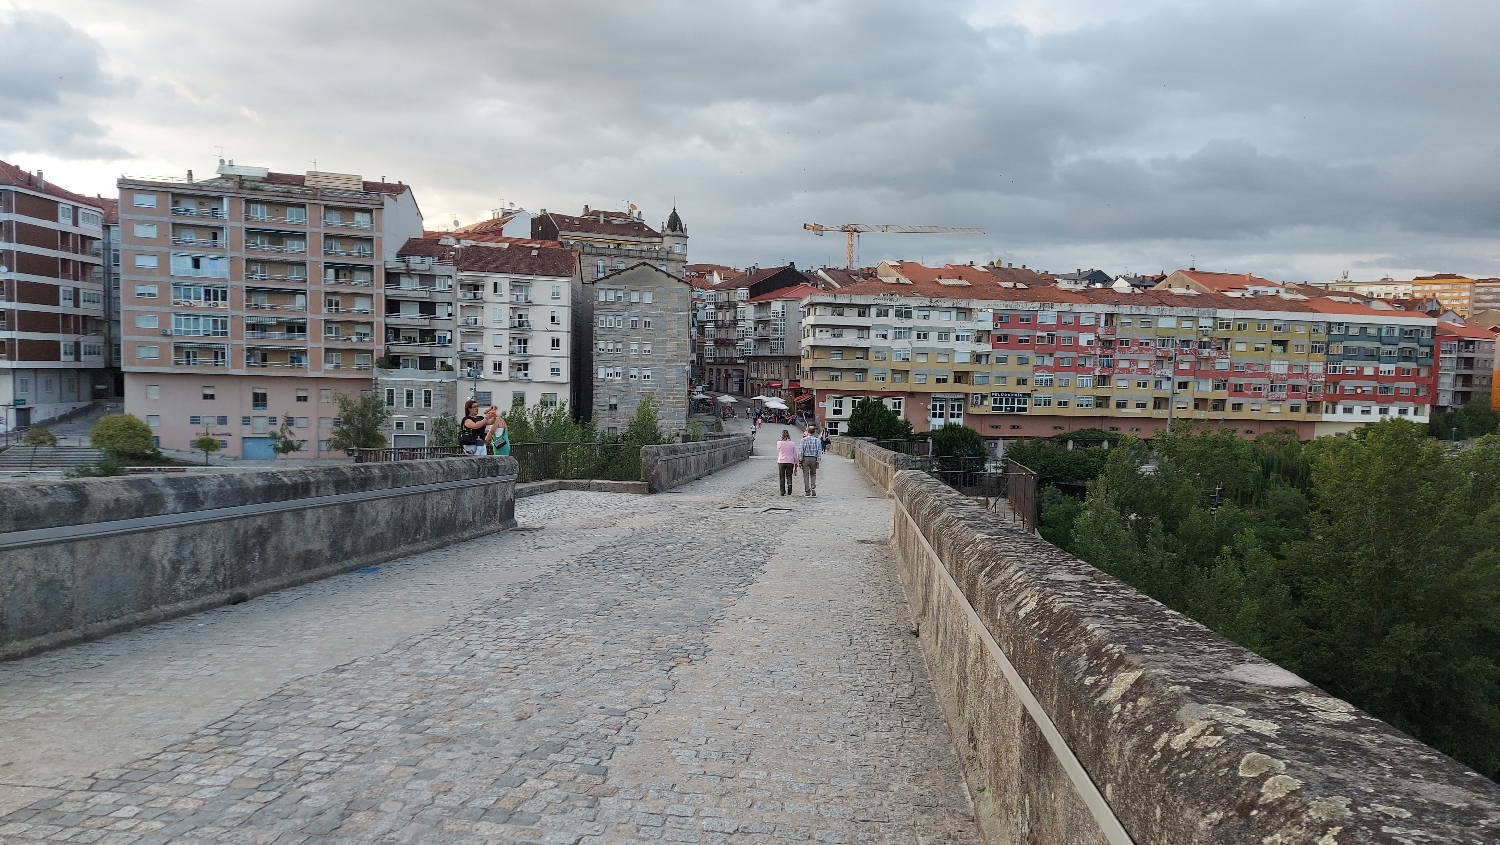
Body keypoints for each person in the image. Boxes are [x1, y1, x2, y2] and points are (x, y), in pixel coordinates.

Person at [799, 426, 824, 497]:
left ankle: (807, 491)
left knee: (806, 475)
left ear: (808, 431)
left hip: (805, 458)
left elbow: (801, 451)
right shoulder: (817, 440)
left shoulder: (803, 440)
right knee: (813, 474)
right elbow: (819, 452)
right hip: (814, 458)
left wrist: (800, 461)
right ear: (814, 432)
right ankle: (813, 489)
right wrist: (818, 461)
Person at [775, 429, 798, 496]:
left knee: (782, 476)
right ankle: (789, 486)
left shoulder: (779, 443)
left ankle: (782, 490)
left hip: (781, 461)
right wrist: (796, 462)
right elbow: (795, 454)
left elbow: (779, 450)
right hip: (790, 461)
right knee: (789, 475)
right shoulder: (792, 443)